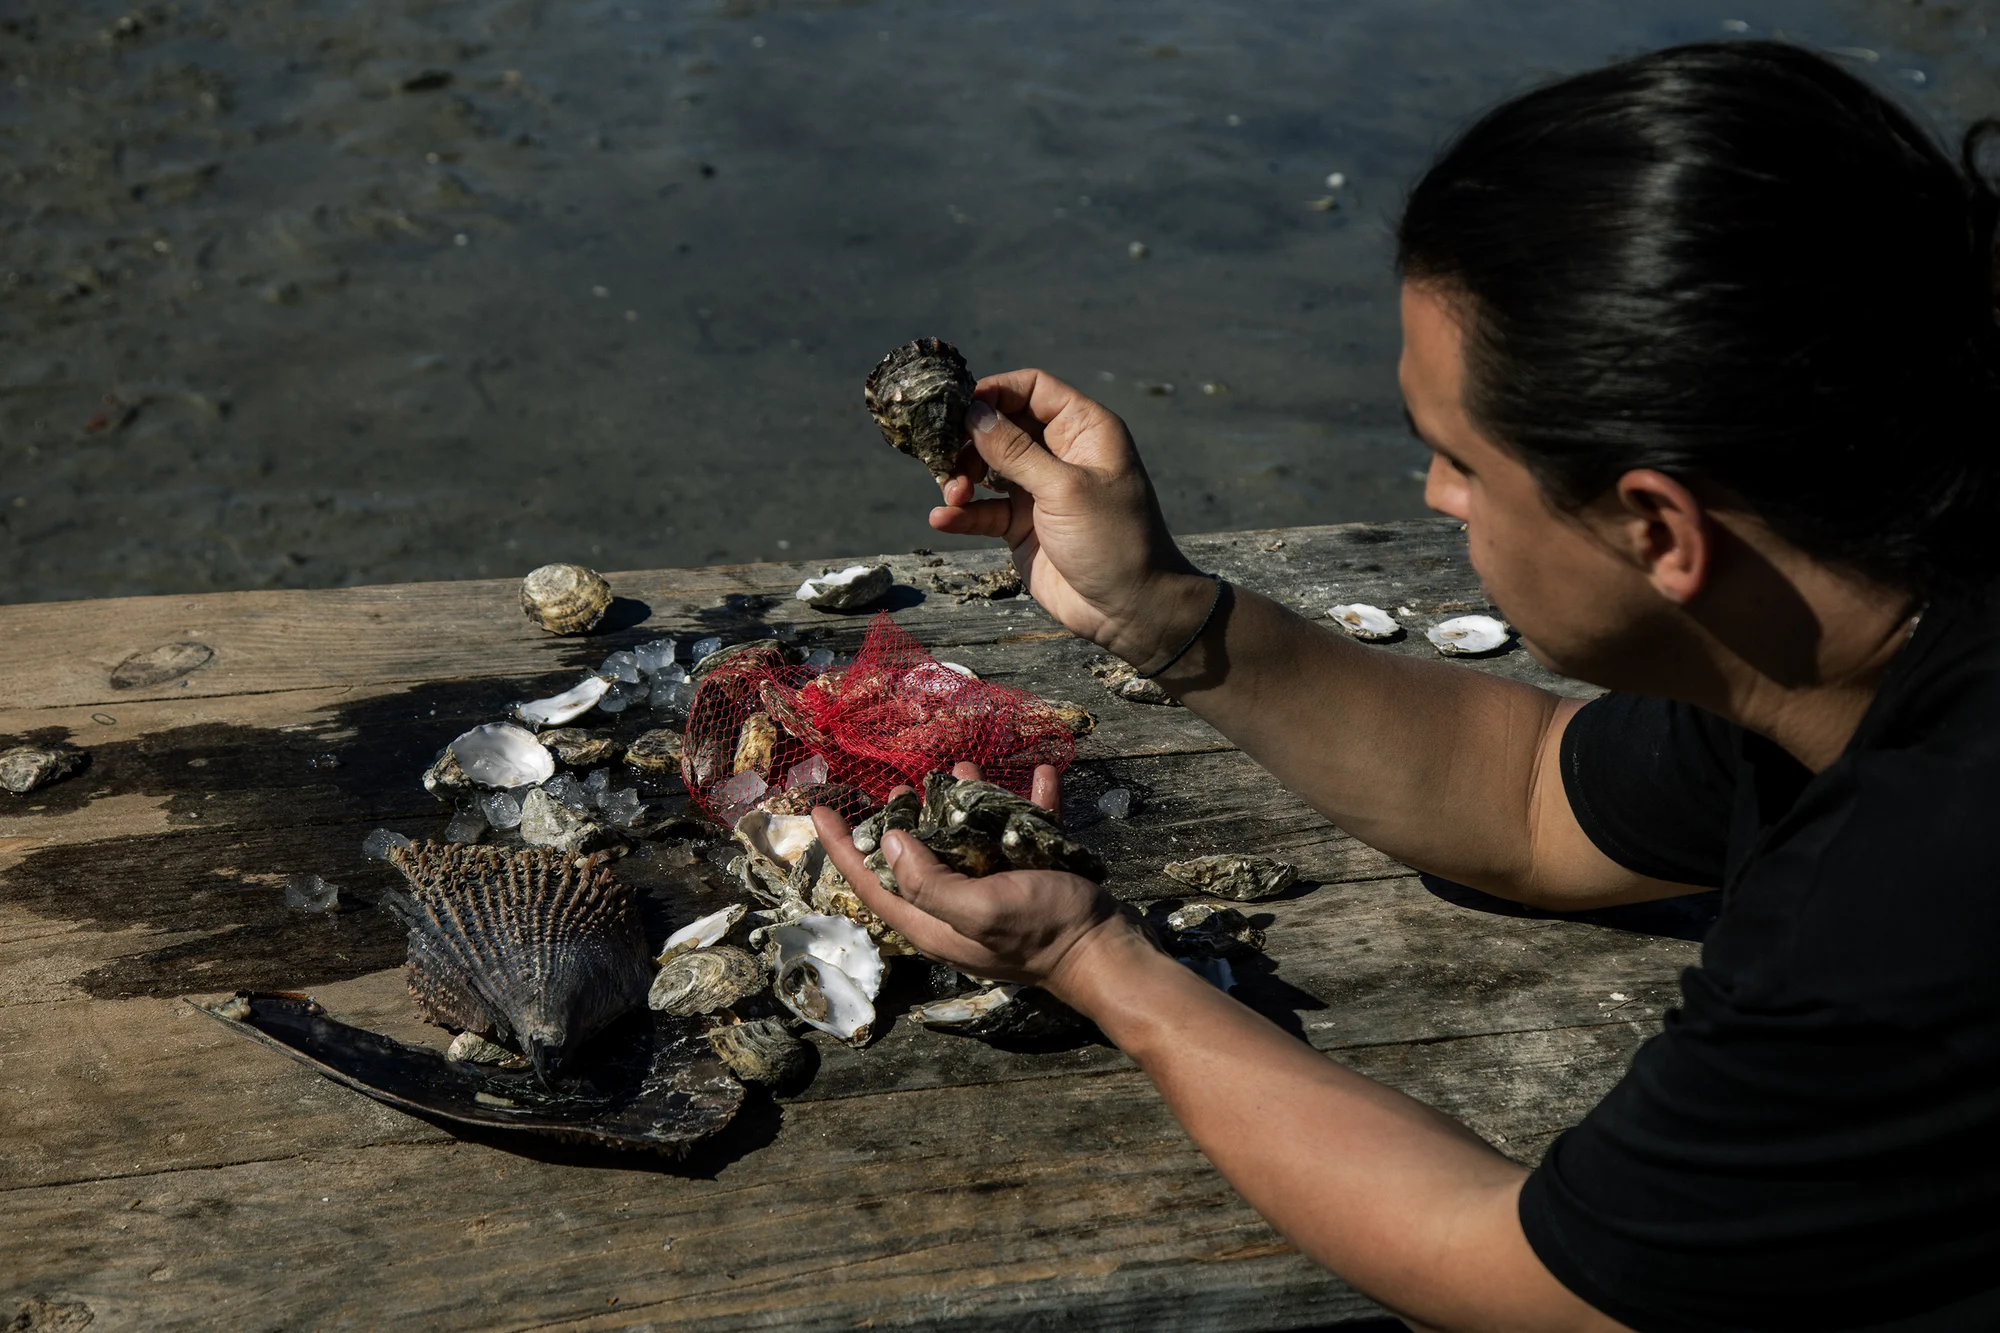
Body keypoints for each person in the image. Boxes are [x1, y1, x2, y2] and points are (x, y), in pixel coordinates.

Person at [810, 41, 2000, 1333]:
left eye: (1459, 465)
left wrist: (1096, 962)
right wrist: (1162, 612)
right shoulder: (1886, 590)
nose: (1431, 497)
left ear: (1659, 531)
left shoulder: (1903, 908)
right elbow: (1533, 803)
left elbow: (1522, 1278)